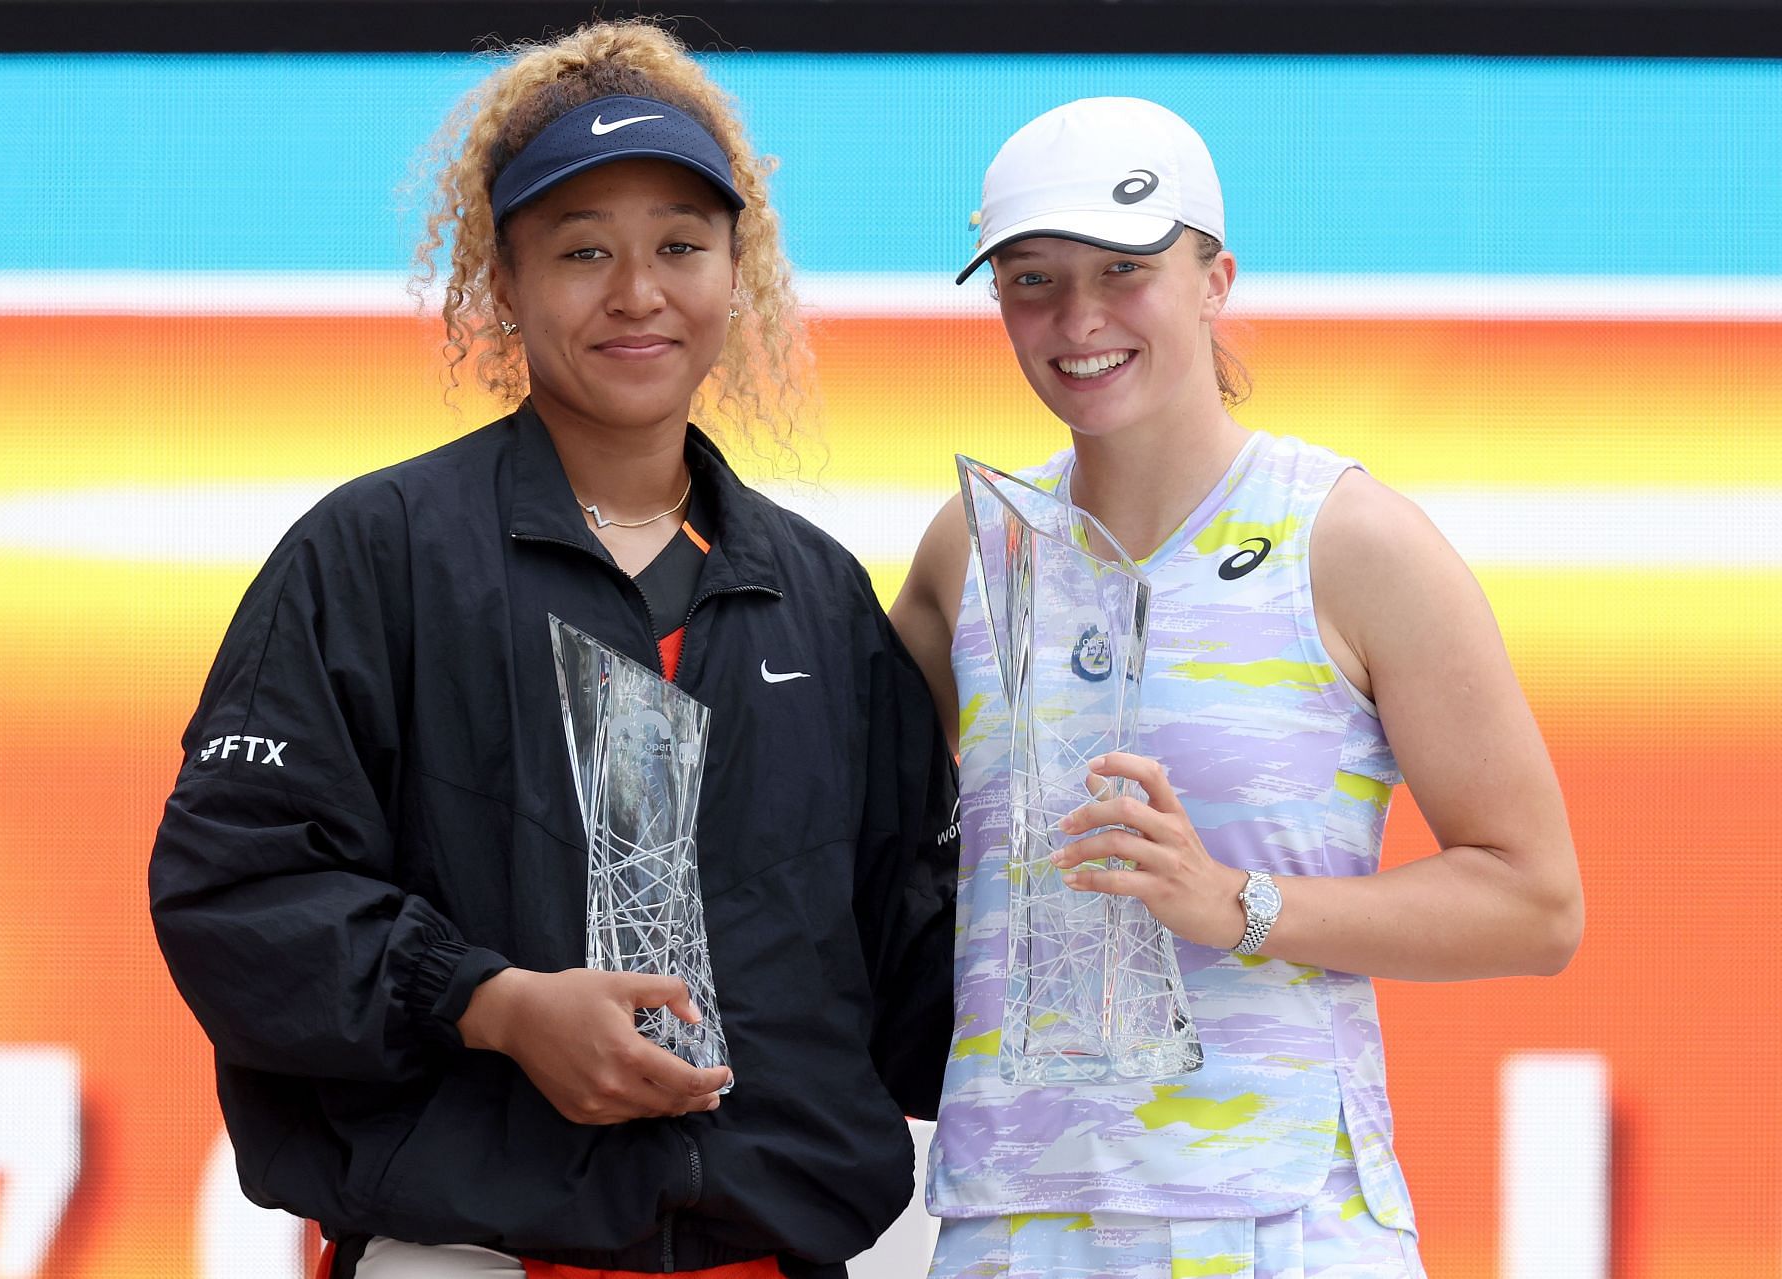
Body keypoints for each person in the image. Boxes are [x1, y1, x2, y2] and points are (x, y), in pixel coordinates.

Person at [148, 22, 956, 1279]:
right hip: (465, 1253)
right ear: (504, 284)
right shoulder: (378, 553)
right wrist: (491, 1003)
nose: (639, 293)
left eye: (680, 247)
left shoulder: (818, 597)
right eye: (584, 252)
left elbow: (912, 968)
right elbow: (237, 895)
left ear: (739, 275)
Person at [888, 97, 1582, 1278]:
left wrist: (1239, 904)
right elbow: (842, 836)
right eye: (1032, 279)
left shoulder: (1353, 541)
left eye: (1125, 270)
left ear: (1216, 279)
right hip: (1008, 1225)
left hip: (1277, 1227)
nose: (1079, 319)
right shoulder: (974, 545)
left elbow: (1536, 904)